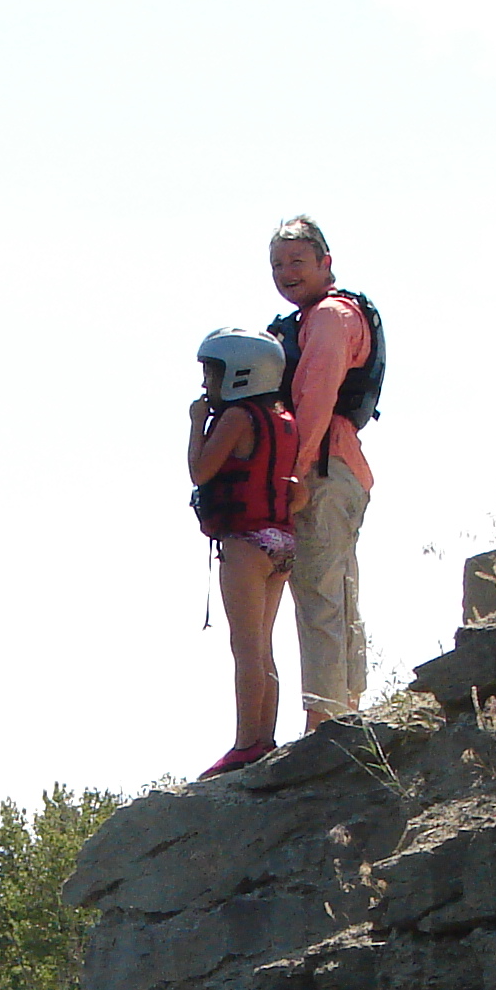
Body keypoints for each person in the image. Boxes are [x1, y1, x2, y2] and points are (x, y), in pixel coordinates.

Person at [264, 216, 384, 727]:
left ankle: (325, 723)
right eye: (277, 264)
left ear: (325, 263)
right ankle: (344, 714)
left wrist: (294, 476)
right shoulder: (315, 317)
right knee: (336, 592)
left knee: (319, 594)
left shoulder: (331, 317)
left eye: (297, 261)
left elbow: (315, 397)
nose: (286, 272)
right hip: (338, 466)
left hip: (323, 468)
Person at [187, 328, 300, 778]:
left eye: (211, 373)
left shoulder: (236, 419)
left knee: (245, 647)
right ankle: (264, 737)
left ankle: (244, 743)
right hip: (282, 543)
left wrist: (196, 423)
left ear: (239, 373)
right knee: (263, 645)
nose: (205, 385)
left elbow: (200, 470)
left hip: (246, 544)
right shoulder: (284, 419)